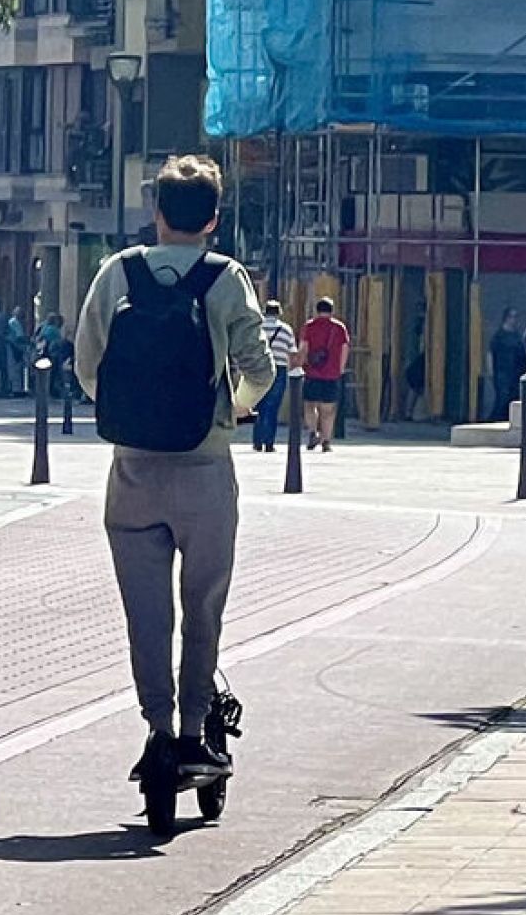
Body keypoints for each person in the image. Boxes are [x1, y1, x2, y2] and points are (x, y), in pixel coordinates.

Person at [74, 154, 275, 788]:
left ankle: (156, 729)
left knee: (146, 613)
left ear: (155, 213)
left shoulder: (117, 274)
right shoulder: (225, 278)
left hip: (132, 472)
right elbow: (260, 367)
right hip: (205, 468)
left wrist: (134, 417)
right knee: (203, 607)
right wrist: (232, 411)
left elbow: (88, 367)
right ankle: (195, 733)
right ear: (214, 218)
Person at [298, 296, 350, 453]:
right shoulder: (339, 328)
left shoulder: (309, 326)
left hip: (312, 372)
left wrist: (302, 364)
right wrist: (340, 368)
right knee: (328, 410)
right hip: (332, 374)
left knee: (309, 405)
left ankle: (313, 432)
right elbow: (345, 349)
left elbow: (303, 348)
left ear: (317, 310)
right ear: (332, 310)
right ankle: (326, 440)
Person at [252, 299, 297, 452]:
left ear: (264, 311)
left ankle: (257, 441)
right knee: (273, 407)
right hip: (279, 369)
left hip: (260, 368)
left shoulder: (258, 327)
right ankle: (269, 442)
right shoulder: (286, 330)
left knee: (259, 405)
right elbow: (292, 352)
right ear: (279, 313)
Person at [488, 308, 526, 421]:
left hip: (514, 373)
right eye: (511, 317)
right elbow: (490, 353)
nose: (513, 320)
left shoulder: (517, 337)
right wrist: (491, 372)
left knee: (512, 399)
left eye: (515, 317)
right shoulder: (499, 336)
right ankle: (494, 420)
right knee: (502, 398)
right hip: (501, 373)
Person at [5, 307, 31, 396]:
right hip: (14, 347)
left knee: (15, 369)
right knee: (16, 369)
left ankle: (15, 388)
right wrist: (29, 341)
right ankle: (16, 390)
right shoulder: (15, 323)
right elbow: (19, 337)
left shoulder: (12, 322)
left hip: (13, 347)